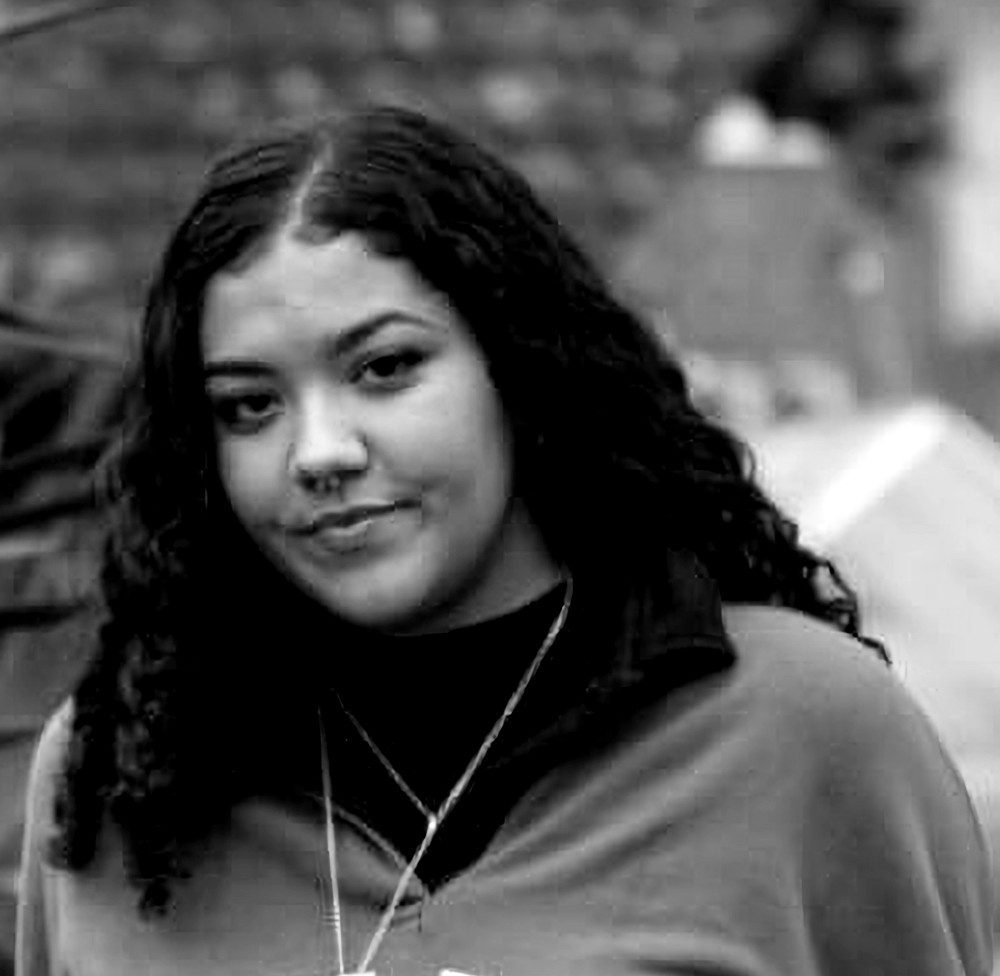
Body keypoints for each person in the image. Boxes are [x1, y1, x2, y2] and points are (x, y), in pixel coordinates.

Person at [15, 104, 993, 976]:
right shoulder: (121, 775)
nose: (318, 451)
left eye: (386, 367)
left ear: (520, 368)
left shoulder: (806, 734)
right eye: (249, 404)